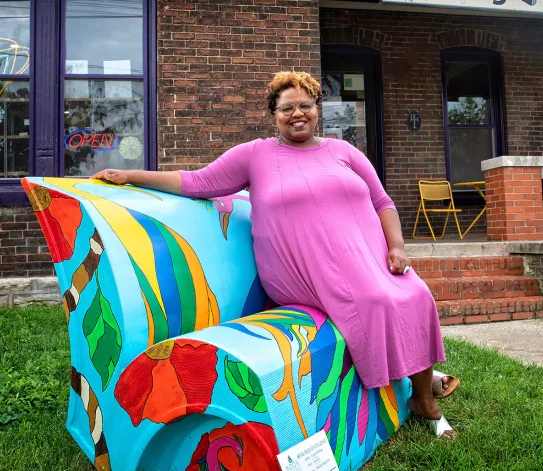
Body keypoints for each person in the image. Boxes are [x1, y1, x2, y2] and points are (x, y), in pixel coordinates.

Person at [92, 71, 457, 438]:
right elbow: (198, 182)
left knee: (417, 294)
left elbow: (382, 201)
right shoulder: (257, 155)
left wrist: (396, 246)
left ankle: (420, 397)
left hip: (368, 258)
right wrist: (131, 175)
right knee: (376, 300)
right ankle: (419, 394)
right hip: (301, 269)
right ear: (274, 114)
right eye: (287, 108)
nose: (297, 114)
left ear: (318, 110)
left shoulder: (343, 151)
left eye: (305, 106)